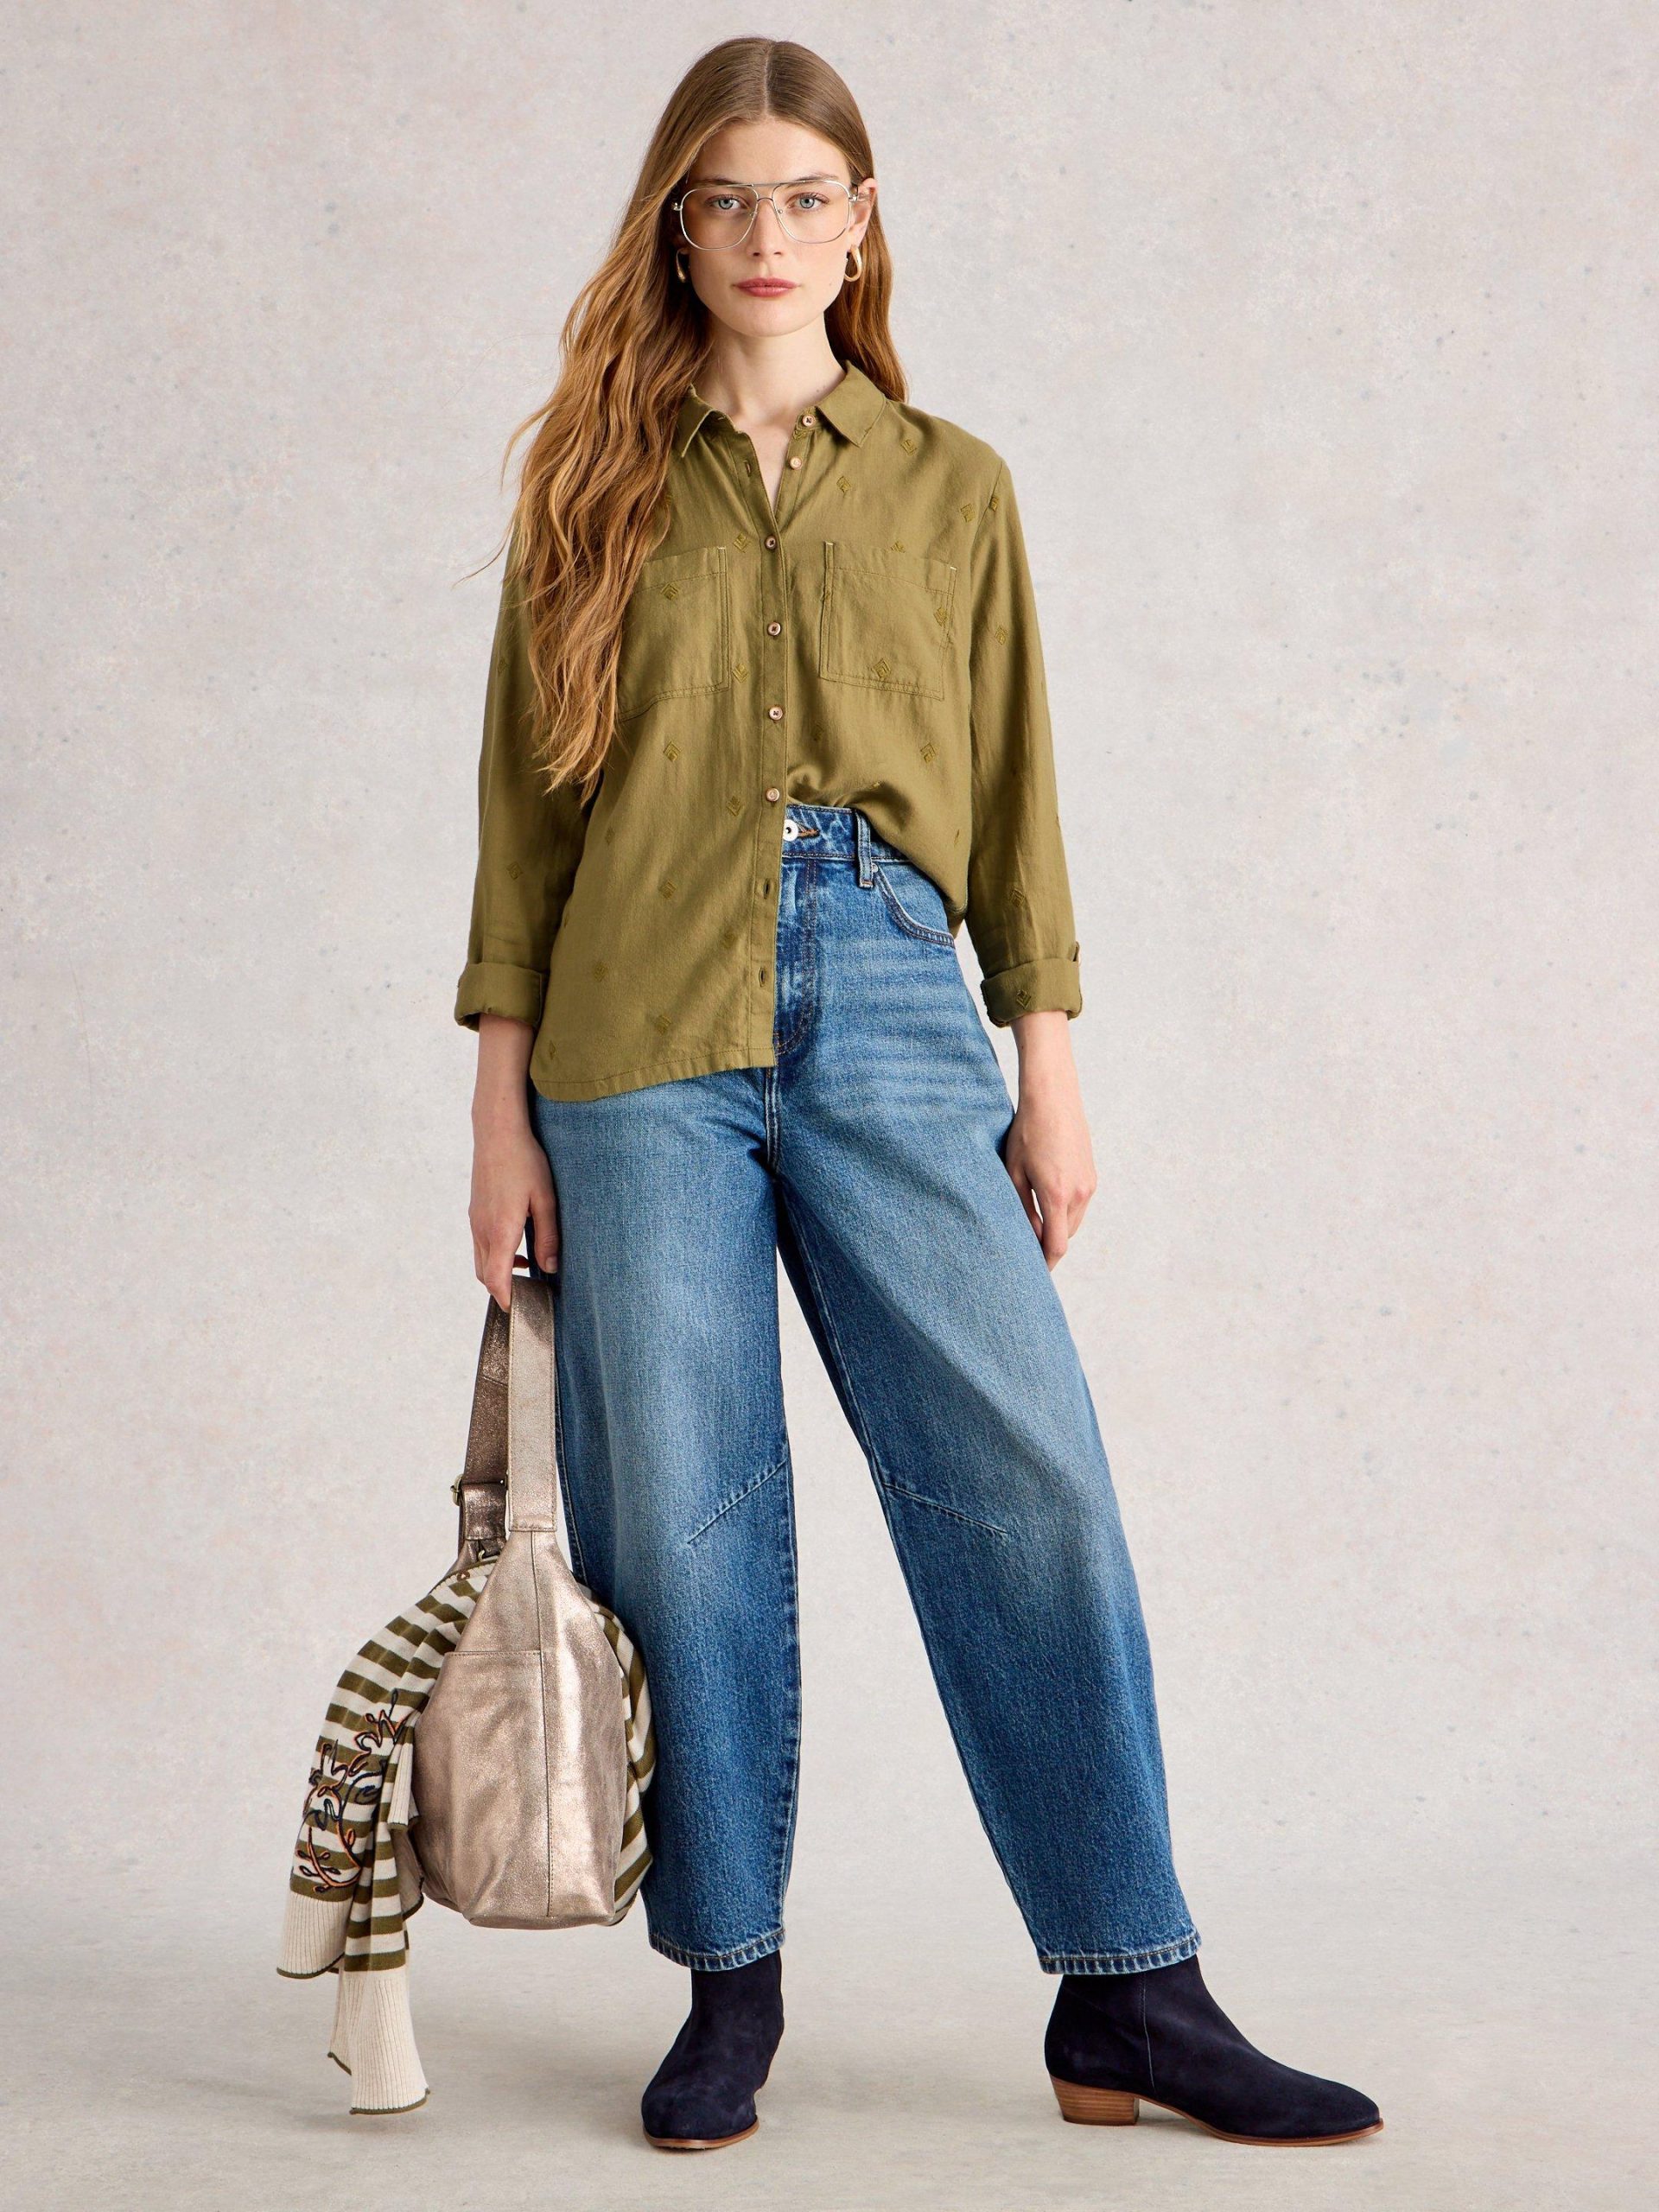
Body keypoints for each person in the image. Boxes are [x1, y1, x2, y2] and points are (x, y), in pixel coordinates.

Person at [455, 35, 1382, 2158]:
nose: (767, 235)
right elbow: (524, 820)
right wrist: (500, 1112)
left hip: (888, 993)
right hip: (634, 1032)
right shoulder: (589, 487)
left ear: (861, 223)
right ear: (675, 228)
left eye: (807, 196)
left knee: (1026, 1471)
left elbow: (1022, 788)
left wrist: (1049, 1063)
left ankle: (1130, 1979)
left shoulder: (956, 484)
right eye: (727, 198)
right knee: (685, 1513)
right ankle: (728, 1976)